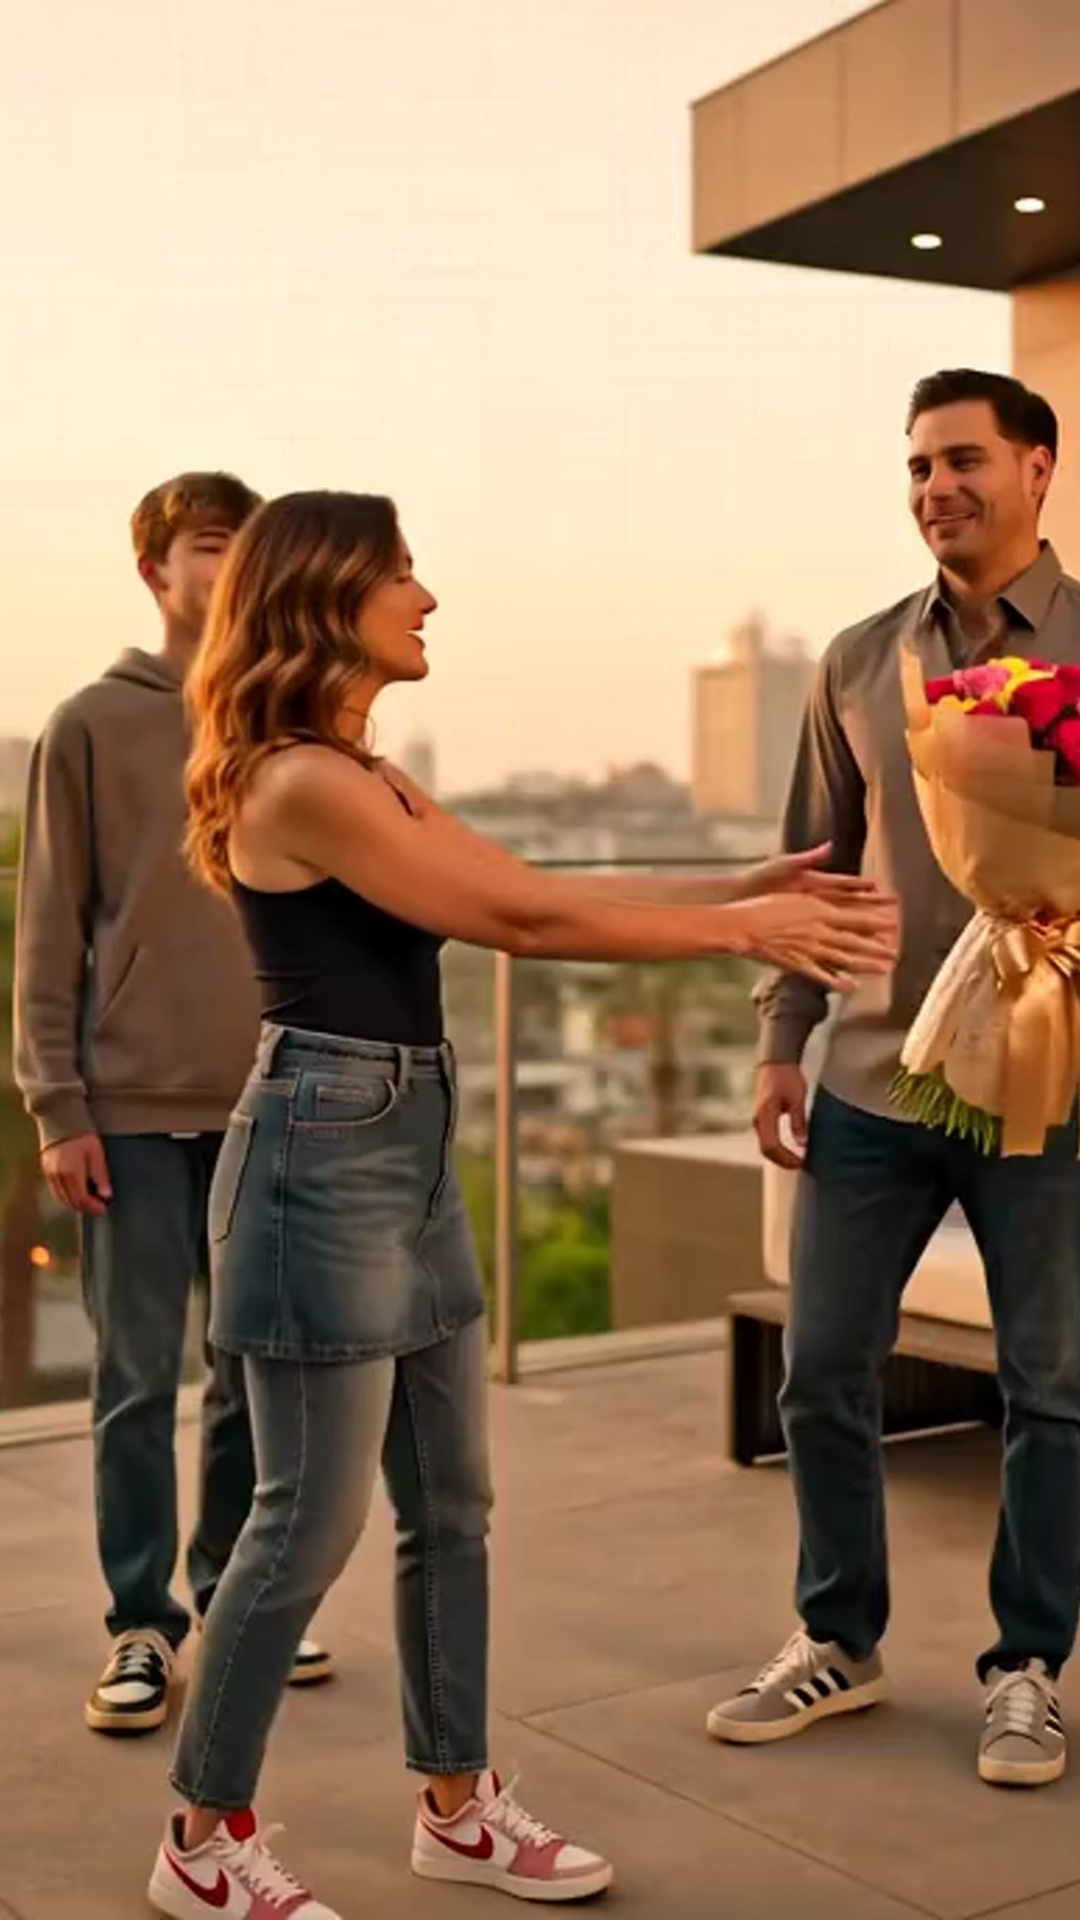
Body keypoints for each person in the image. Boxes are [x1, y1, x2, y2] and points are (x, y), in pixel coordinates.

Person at [144, 487, 898, 1918]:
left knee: (454, 1504)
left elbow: (519, 880)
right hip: (320, 1144)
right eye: (403, 575)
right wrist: (741, 929)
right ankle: (202, 1838)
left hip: (403, 1139)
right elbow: (520, 927)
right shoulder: (295, 778)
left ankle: (455, 1805)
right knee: (304, 1520)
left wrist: (735, 879)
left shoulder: (364, 773)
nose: (427, 598)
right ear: (328, 595)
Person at [706, 368, 1080, 1789]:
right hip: (868, 1072)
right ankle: (837, 1639)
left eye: (965, 461)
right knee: (820, 1373)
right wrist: (779, 1040)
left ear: (1039, 468)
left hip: (1050, 1087)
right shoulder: (860, 660)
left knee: (1053, 1388)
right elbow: (814, 868)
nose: (937, 489)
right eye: (918, 466)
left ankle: (1028, 1666)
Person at [14, 471, 334, 1738]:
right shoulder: (90, 723)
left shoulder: (287, 721)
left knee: (248, 1374)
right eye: (214, 545)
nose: (237, 562)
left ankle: (239, 1602)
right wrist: (56, 1103)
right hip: (131, 1106)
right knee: (137, 1379)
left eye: (250, 544)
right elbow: (48, 933)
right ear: (158, 571)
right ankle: (140, 1625)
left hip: (274, 1098)